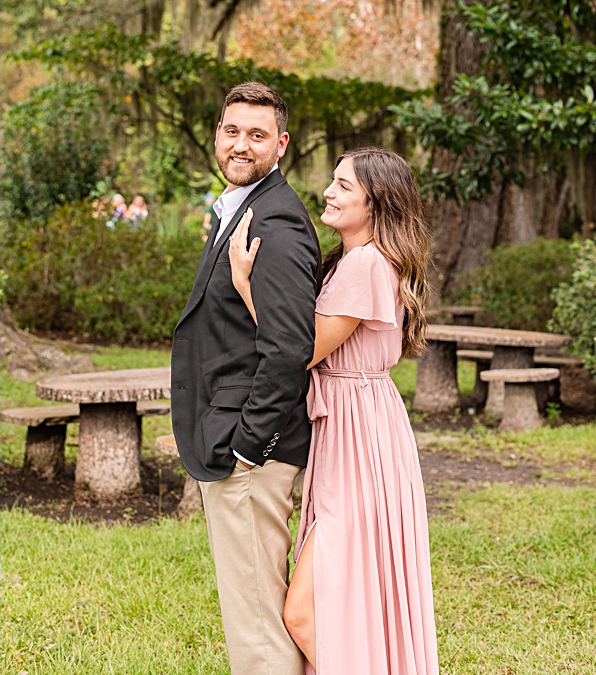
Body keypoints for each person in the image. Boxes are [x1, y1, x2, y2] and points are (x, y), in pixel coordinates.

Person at [228, 147, 438, 674]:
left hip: (360, 439)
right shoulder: (352, 261)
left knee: (302, 613)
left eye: (344, 186)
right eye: (334, 181)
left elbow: (302, 350)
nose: (329, 191)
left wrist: (244, 286)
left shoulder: (366, 263)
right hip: (355, 427)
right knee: (343, 596)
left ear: (376, 202)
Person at [170, 82, 322, 675]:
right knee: (252, 614)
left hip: (252, 452)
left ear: (280, 145)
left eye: (257, 135)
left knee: (259, 628)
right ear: (217, 135)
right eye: (232, 131)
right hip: (234, 437)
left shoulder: (276, 225)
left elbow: (290, 347)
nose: (241, 144)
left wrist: (249, 446)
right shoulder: (236, 208)